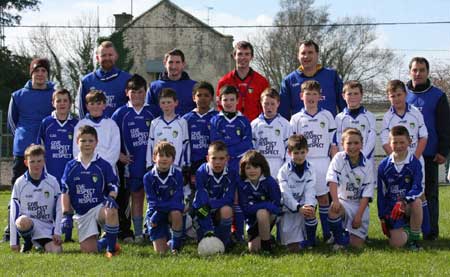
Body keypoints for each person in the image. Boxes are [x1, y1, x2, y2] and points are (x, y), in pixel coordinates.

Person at [5, 58, 55, 242]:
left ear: (47, 74)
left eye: (43, 71)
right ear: (31, 73)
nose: (40, 74)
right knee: (17, 191)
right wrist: (22, 136)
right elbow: (12, 122)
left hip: (46, 150)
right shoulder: (18, 95)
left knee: (47, 190)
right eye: (37, 71)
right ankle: (11, 229)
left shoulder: (54, 93)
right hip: (22, 149)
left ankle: (50, 228)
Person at [405, 57, 450, 240]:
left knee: (429, 194)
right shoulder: (402, 94)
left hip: (430, 154)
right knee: (407, 195)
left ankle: (431, 232)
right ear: (410, 72)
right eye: (415, 70)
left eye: (422, 70)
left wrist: (443, 151)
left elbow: (445, 126)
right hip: (406, 156)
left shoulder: (438, 95)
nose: (418, 73)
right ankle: (408, 231)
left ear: (427, 72)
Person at [380, 80, 430, 237]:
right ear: (389, 98)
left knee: (419, 195)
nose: (396, 99)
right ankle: (401, 227)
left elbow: (424, 137)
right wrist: (396, 159)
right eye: (392, 96)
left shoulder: (415, 112)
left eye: (399, 95)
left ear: (406, 94)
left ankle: (426, 231)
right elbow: (384, 141)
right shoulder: (388, 117)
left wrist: (412, 159)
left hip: (414, 159)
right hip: (396, 162)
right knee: (398, 194)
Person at [61, 126, 120, 258]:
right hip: (82, 213)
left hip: (99, 207)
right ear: (77, 142)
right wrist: (66, 215)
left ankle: (112, 250)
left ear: (96, 142)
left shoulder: (103, 164)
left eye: (90, 140)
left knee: (111, 210)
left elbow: (114, 186)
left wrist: (111, 198)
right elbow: (65, 191)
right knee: (89, 251)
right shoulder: (70, 166)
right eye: (83, 141)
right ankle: (106, 241)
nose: (87, 144)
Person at [290, 80, 337, 243]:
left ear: (320, 97)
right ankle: (306, 234)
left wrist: (334, 164)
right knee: (305, 200)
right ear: (301, 96)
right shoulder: (296, 119)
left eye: (314, 94)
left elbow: (333, 144)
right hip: (304, 163)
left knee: (323, 198)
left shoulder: (328, 116)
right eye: (307, 94)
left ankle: (327, 234)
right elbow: (291, 145)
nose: (311, 97)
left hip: (323, 162)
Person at [111, 74, 155, 243]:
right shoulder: (120, 114)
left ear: (146, 92)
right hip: (132, 165)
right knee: (136, 197)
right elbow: (112, 138)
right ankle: (137, 234)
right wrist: (119, 155)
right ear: (127, 93)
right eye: (133, 92)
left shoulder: (153, 111)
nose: (137, 96)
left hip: (152, 164)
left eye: (140, 92)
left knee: (152, 198)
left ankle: (151, 230)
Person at [210, 85, 253, 242]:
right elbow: (215, 142)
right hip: (221, 166)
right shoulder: (216, 120)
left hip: (239, 165)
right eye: (225, 99)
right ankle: (222, 233)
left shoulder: (243, 121)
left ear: (237, 101)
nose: (228, 102)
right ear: (219, 101)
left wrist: (229, 153)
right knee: (223, 198)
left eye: (231, 99)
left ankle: (240, 234)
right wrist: (225, 155)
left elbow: (247, 143)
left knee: (239, 199)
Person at [37, 89, 78, 242]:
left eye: (65, 100)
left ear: (70, 103)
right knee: (50, 204)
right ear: (53, 103)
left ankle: (68, 235)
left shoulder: (75, 123)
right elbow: (39, 147)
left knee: (68, 203)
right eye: (58, 100)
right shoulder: (46, 123)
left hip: (70, 171)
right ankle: (49, 233)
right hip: (51, 170)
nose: (62, 103)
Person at [326, 128, 375, 249]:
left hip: (359, 205)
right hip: (343, 201)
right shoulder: (338, 158)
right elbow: (332, 180)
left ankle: (345, 234)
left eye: (356, 143)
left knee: (356, 245)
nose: (352, 147)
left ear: (362, 144)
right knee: (333, 208)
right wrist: (336, 201)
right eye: (349, 143)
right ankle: (339, 240)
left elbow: (367, 194)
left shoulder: (368, 164)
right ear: (342, 145)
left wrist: (358, 216)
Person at [10, 145, 62, 253]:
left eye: (39, 161)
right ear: (25, 163)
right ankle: (28, 243)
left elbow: (59, 209)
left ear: (44, 162)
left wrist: (57, 232)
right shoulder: (20, 183)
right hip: (28, 225)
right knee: (22, 221)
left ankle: (38, 244)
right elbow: (13, 212)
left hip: (46, 228)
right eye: (32, 161)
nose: (36, 165)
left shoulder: (53, 182)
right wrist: (14, 242)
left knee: (56, 251)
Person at [378, 126, 423, 250]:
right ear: (389, 143)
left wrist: (404, 201)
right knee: (396, 244)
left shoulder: (415, 163)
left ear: (409, 141)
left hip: (407, 205)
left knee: (417, 202)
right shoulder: (383, 166)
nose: (398, 146)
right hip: (392, 209)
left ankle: (414, 239)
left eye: (402, 142)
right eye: (395, 142)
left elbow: (417, 187)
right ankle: (407, 229)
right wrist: (382, 217)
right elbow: (381, 193)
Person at [279, 39, 345, 120]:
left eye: (310, 52)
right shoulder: (288, 81)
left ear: (317, 54)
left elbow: (344, 106)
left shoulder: (332, 76)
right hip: (300, 131)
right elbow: (283, 115)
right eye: (303, 53)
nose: (306, 56)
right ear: (298, 56)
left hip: (329, 131)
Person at [192, 141, 237, 248]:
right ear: (208, 158)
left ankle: (223, 241)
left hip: (217, 209)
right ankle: (205, 233)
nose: (217, 162)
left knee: (227, 210)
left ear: (227, 159)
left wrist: (211, 204)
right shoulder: (201, 172)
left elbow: (229, 199)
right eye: (214, 158)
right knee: (201, 210)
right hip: (201, 211)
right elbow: (201, 202)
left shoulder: (231, 173)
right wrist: (208, 230)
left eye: (221, 159)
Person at [277, 134, 317, 252]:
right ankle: (282, 237)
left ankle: (311, 241)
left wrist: (308, 205)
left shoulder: (311, 169)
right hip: (289, 209)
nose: (299, 156)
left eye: (302, 152)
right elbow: (285, 193)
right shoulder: (283, 171)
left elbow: (310, 189)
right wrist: (297, 207)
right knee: (292, 248)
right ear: (289, 153)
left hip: (303, 207)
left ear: (307, 151)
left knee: (311, 210)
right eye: (296, 153)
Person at [143, 141, 184, 254]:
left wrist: (159, 213)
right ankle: (169, 241)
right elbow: (153, 203)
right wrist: (156, 215)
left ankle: (175, 246)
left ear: (173, 159)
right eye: (161, 155)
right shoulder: (148, 177)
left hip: (166, 213)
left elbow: (178, 200)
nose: (164, 159)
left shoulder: (178, 175)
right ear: (154, 158)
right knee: (161, 252)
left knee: (176, 213)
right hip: (154, 214)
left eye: (168, 155)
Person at [238, 150, 281, 253]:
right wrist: (266, 204)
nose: (252, 171)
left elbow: (276, 207)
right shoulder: (242, 184)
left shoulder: (270, 182)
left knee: (261, 212)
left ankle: (267, 247)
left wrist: (262, 207)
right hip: (252, 222)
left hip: (269, 217)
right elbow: (245, 209)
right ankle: (268, 238)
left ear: (262, 168)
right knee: (254, 250)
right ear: (243, 169)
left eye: (255, 167)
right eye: (248, 167)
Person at [77, 40, 132, 118]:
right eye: (103, 55)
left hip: (120, 129)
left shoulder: (128, 79)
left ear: (116, 56)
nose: (107, 58)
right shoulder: (86, 81)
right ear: (97, 58)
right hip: (94, 129)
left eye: (110, 55)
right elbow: (81, 111)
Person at [217, 41, 270, 121]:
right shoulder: (224, 81)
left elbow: (267, 105)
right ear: (234, 56)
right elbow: (220, 106)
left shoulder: (261, 81)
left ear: (252, 57)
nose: (243, 57)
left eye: (247, 54)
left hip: (255, 127)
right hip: (231, 126)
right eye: (240, 54)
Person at [335, 81, 376, 173]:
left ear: (361, 95)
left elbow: (371, 141)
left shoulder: (370, 116)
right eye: (349, 94)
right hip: (346, 164)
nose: (353, 97)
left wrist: (361, 158)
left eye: (356, 93)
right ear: (343, 96)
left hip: (366, 162)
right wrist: (348, 158)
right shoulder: (339, 118)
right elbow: (339, 141)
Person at [73, 90, 120, 170]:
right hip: (86, 169)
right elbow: (76, 149)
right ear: (87, 106)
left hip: (107, 170)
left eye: (98, 103)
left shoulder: (112, 124)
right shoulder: (80, 125)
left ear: (104, 105)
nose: (95, 107)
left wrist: (102, 167)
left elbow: (115, 151)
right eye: (92, 104)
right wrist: (88, 166)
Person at [182, 81, 218, 184]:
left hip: (212, 163)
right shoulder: (186, 119)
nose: (202, 98)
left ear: (211, 98)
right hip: (192, 164)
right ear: (194, 97)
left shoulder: (217, 117)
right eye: (199, 95)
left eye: (206, 95)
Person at [251, 88, 292, 178]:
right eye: (266, 104)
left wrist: (286, 167)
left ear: (278, 104)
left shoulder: (285, 124)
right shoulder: (254, 124)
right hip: (260, 166)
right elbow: (251, 148)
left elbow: (289, 149)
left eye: (272, 104)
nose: (269, 107)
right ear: (261, 103)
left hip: (279, 166)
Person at [146, 88, 190, 170]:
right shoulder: (154, 123)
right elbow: (150, 145)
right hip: (159, 167)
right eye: (163, 103)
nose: (166, 105)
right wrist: (149, 164)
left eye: (169, 102)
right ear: (159, 104)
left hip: (177, 167)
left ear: (176, 103)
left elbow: (185, 144)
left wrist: (187, 165)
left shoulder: (182, 122)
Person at [146, 48, 196, 117]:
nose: (174, 66)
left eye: (177, 62)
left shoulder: (194, 86)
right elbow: (148, 112)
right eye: (170, 62)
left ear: (183, 64)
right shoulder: (154, 87)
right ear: (164, 63)